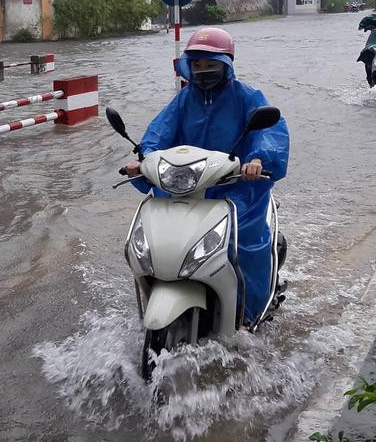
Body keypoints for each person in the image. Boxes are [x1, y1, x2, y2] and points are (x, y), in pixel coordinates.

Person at [123, 28, 291, 326]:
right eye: (197, 64)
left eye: (210, 63)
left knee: (241, 245)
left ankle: (252, 311)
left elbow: (270, 132)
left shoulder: (247, 96)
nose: (203, 70)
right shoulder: (184, 99)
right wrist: (144, 160)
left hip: (236, 188)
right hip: (186, 187)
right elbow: (158, 133)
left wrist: (256, 160)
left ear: (226, 63)